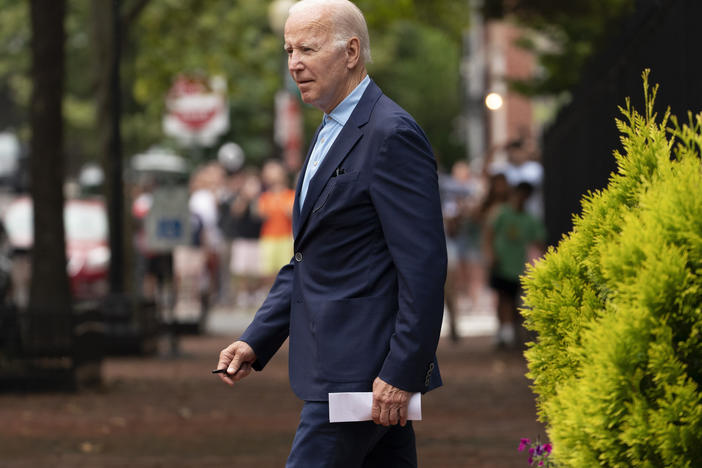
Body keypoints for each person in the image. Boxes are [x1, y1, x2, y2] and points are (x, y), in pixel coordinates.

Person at [215, 1, 447, 466]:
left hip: (363, 377)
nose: (294, 62)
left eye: (307, 48)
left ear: (351, 52)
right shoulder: (330, 129)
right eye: (288, 50)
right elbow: (311, 258)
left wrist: (402, 372)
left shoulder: (390, 133)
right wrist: (256, 339)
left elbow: (423, 267)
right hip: (347, 373)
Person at [484, 182, 545, 348]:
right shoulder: (502, 213)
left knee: (512, 299)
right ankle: (504, 331)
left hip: (517, 266)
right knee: (503, 298)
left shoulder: (529, 219)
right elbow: (489, 234)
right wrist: (490, 254)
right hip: (501, 263)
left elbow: (539, 240)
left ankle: (509, 332)